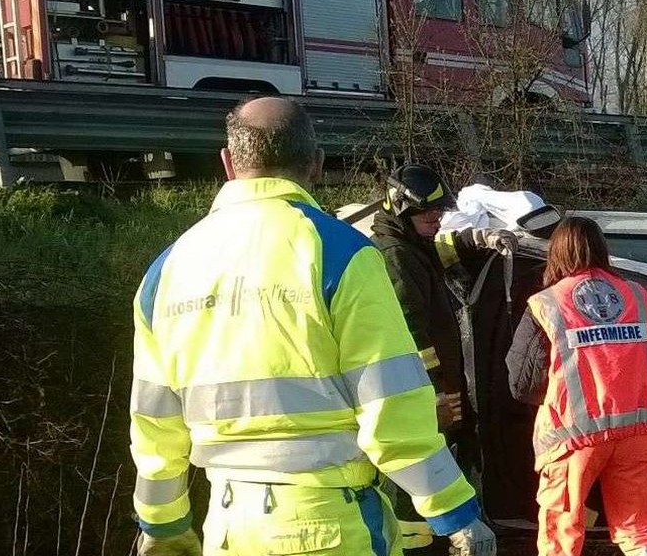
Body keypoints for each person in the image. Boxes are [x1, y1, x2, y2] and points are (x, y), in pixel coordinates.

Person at [129, 97, 496, 556]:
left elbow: (153, 420)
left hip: (227, 527)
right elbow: (392, 408)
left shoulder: (166, 270)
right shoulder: (341, 255)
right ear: (317, 164)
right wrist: (455, 511)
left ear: (227, 162)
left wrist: (162, 523)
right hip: (330, 524)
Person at [370, 163, 517, 554]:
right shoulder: (394, 257)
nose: (437, 219)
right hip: (423, 390)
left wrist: (480, 238)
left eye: (440, 212)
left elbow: (441, 248)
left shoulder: (411, 244)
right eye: (428, 213)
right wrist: (434, 392)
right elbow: (411, 334)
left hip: (434, 387)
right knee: (420, 475)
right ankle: (422, 547)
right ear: (402, 209)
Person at [505, 216, 647, 556]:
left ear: (557, 254)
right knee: (642, 532)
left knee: (561, 535)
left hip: (573, 438)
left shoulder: (547, 303)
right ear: (602, 250)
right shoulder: (638, 296)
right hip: (636, 432)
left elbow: (521, 383)